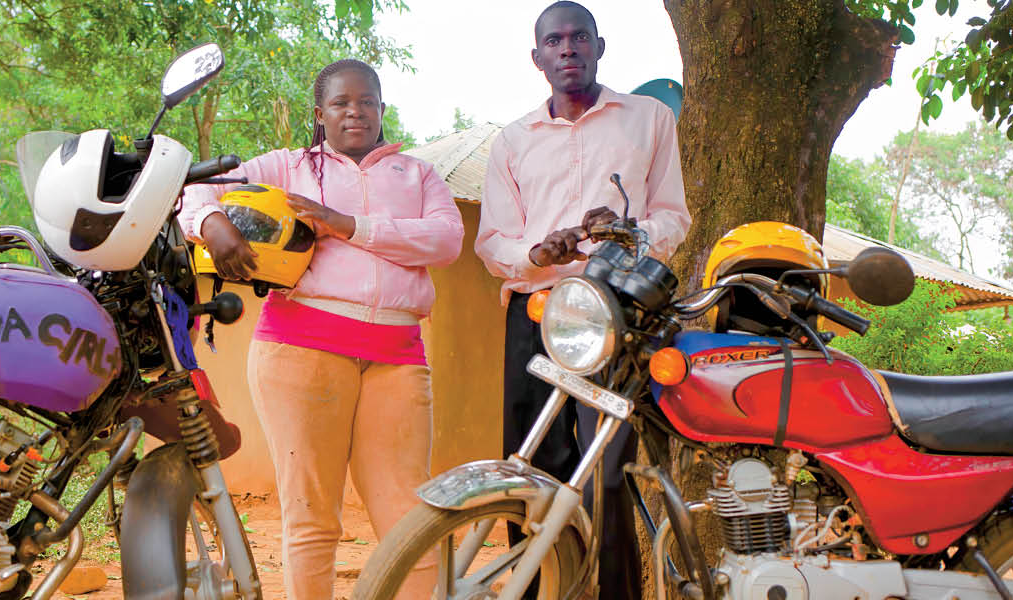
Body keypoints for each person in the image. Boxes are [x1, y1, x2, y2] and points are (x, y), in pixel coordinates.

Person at [179, 58, 462, 600]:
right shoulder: (290, 167)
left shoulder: (417, 174)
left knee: (409, 517)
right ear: (320, 113)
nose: (355, 111)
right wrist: (212, 226)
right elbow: (199, 189)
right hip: (301, 349)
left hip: (397, 356)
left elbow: (446, 241)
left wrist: (345, 225)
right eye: (341, 103)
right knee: (312, 514)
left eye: (366, 101)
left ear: (382, 108)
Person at [474, 2, 691, 599]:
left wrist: (628, 231)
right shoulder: (512, 142)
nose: (567, 49)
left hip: (616, 310)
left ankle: (616, 593)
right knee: (532, 467)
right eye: (554, 41)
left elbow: (673, 216)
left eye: (578, 38)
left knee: (608, 474)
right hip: (537, 311)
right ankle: (535, 590)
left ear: (600, 45)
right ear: (537, 58)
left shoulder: (648, 119)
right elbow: (492, 242)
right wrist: (541, 253)